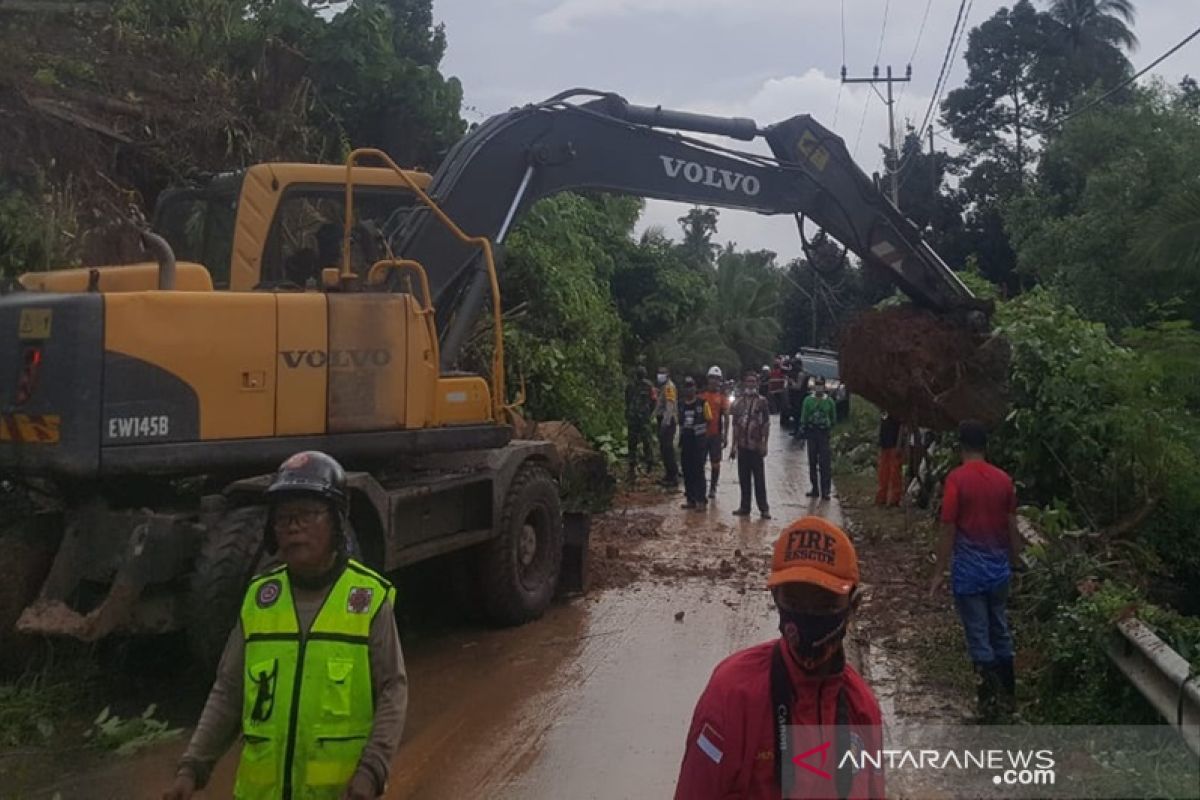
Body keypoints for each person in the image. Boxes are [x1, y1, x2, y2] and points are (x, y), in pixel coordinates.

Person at [165, 452, 406, 800]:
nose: (293, 527)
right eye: (283, 519)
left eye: (307, 515)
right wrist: (192, 768)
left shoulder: (368, 599)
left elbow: (392, 691)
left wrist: (371, 771)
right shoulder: (260, 599)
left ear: (337, 521)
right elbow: (228, 691)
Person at [674, 517, 885, 799]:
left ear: (853, 605)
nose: (808, 617)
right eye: (795, 602)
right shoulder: (733, 696)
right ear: (775, 599)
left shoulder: (862, 708)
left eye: (824, 603)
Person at [929, 421, 1022, 721]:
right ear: (985, 447)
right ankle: (1008, 698)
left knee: (979, 635)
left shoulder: (956, 480)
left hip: (969, 573)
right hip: (999, 572)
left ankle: (987, 704)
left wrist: (939, 571)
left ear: (961, 448)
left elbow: (948, 527)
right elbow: (1012, 525)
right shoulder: (1004, 480)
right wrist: (1017, 560)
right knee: (1001, 631)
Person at [730, 369, 771, 519]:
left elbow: (766, 424)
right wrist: (733, 446)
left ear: (757, 383)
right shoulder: (738, 403)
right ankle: (744, 506)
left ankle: (764, 508)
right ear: (744, 383)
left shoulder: (762, 402)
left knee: (759, 479)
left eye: (753, 381)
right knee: (744, 478)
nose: (751, 384)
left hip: (756, 445)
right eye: (748, 381)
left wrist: (765, 443)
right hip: (742, 445)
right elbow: (735, 425)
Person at [678, 376, 713, 510]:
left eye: (691, 386)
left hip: (699, 443)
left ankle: (701, 500)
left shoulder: (702, 403)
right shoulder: (681, 404)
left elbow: (709, 420)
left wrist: (703, 436)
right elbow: (680, 423)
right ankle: (690, 499)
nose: (689, 389)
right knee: (687, 471)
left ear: (695, 388)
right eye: (686, 386)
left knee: (698, 471)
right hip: (686, 442)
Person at [800, 378, 836, 500]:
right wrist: (804, 427)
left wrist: (829, 427)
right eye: (817, 385)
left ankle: (826, 491)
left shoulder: (829, 401)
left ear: (824, 386)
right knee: (812, 461)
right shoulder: (808, 400)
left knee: (825, 463)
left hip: (824, 433)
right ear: (814, 386)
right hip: (812, 432)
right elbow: (804, 417)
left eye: (821, 385)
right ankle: (815, 488)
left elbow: (833, 418)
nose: (819, 387)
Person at [699, 366, 731, 499]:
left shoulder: (722, 397)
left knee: (715, 463)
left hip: (715, 435)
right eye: (712, 378)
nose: (714, 381)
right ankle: (700, 488)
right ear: (708, 379)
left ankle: (713, 488)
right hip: (701, 435)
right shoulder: (701, 395)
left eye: (717, 379)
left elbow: (727, 417)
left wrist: (725, 435)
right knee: (700, 462)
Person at [625, 366, 657, 481]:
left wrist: (648, 412)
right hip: (633, 418)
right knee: (632, 442)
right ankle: (632, 466)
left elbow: (654, 401)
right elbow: (627, 400)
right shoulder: (630, 386)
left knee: (646, 441)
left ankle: (649, 464)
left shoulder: (649, 386)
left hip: (644, 419)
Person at [654, 366, 680, 488]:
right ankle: (668, 474)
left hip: (668, 422)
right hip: (663, 421)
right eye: (659, 373)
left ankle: (673, 476)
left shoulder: (669, 387)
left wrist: (665, 423)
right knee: (664, 449)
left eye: (662, 373)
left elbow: (670, 406)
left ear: (668, 374)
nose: (660, 375)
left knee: (667, 449)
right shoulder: (663, 387)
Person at [875, 412, 904, 507]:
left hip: (894, 444)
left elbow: (901, 427)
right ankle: (881, 497)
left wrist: (899, 445)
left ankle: (894, 499)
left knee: (894, 472)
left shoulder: (897, 411)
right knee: (883, 472)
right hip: (885, 445)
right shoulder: (884, 412)